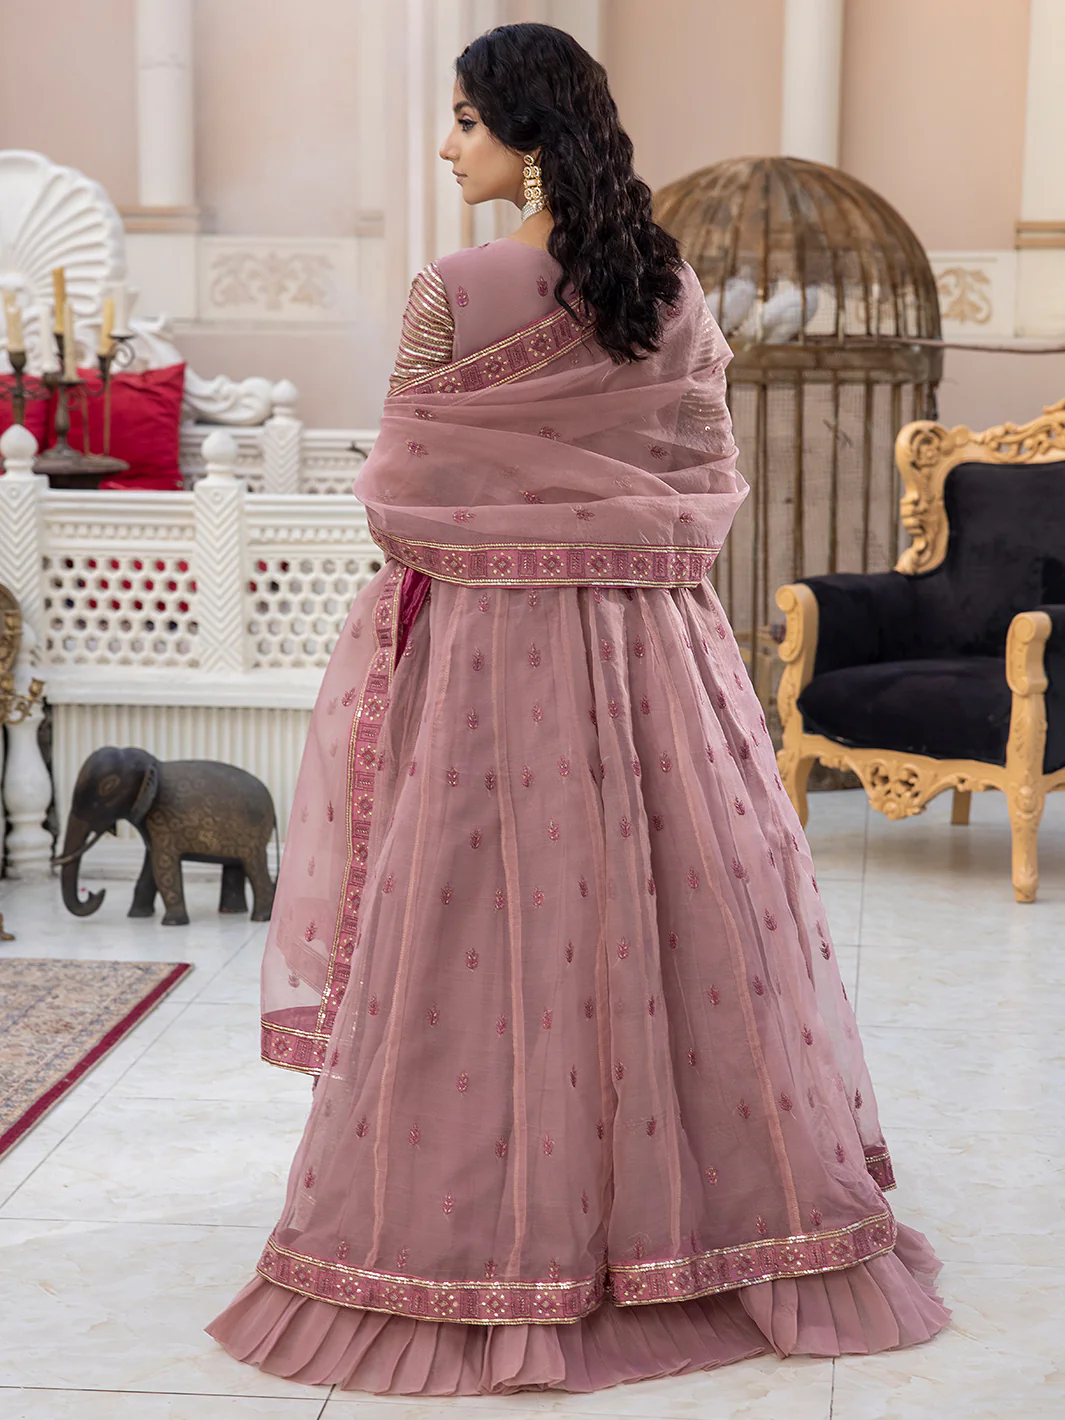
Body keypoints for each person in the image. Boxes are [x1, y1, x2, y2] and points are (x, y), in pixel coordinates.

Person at [207, 22, 948, 1396]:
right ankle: (713, 1226)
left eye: (465, 122)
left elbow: (400, 497)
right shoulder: (672, 291)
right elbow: (706, 478)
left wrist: (505, 532)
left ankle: (483, 1231)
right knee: (673, 914)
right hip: (651, 649)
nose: (448, 147)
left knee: (483, 925)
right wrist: (601, 536)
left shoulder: (454, 288)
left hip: (493, 658)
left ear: (527, 135)